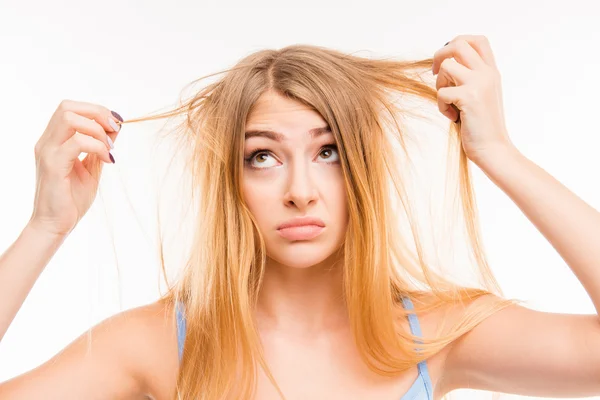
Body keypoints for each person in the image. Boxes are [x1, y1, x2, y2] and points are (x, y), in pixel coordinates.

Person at [1, 34, 600, 400]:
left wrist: (499, 153)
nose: (300, 191)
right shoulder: (157, 343)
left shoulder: (436, 334)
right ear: (230, 181)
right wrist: (44, 228)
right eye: (262, 157)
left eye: (329, 152)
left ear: (362, 168)